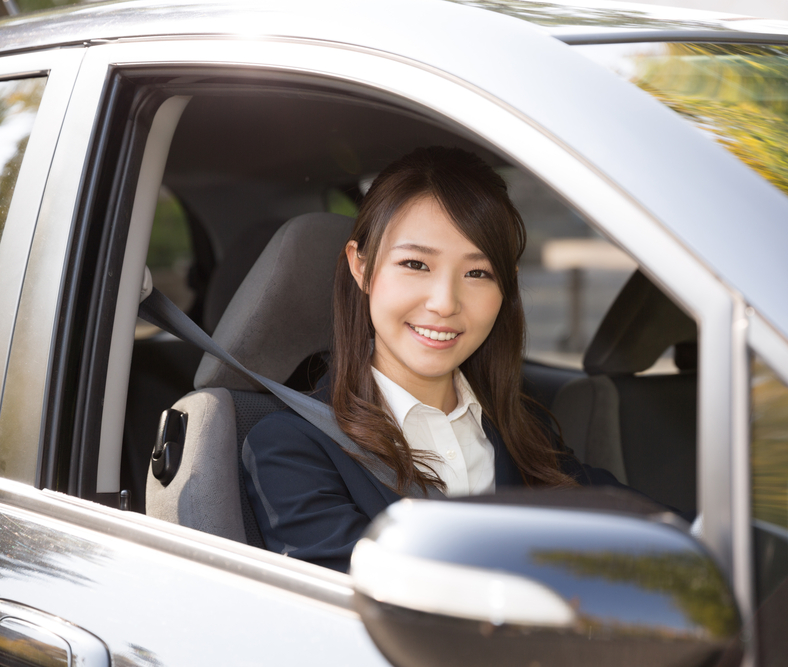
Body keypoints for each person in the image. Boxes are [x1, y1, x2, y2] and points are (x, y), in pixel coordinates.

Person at [242, 146, 621, 573]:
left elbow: (639, 528)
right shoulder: (291, 448)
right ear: (361, 267)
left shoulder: (523, 435)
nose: (444, 303)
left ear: (506, 288)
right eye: (416, 264)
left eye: (477, 273)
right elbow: (369, 605)